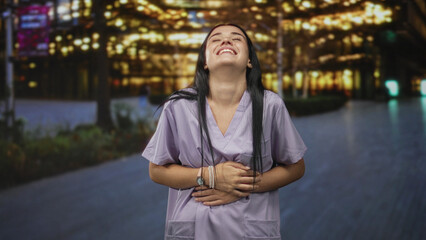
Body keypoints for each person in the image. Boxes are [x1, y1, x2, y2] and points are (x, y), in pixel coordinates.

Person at [142, 23, 307, 240]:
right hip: (193, 229)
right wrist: (211, 176)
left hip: (251, 231)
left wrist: (241, 186)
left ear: (249, 60)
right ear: (205, 62)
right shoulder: (178, 106)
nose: (226, 40)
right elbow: (156, 170)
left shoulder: (270, 105)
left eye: (236, 38)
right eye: (216, 38)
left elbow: (296, 167)